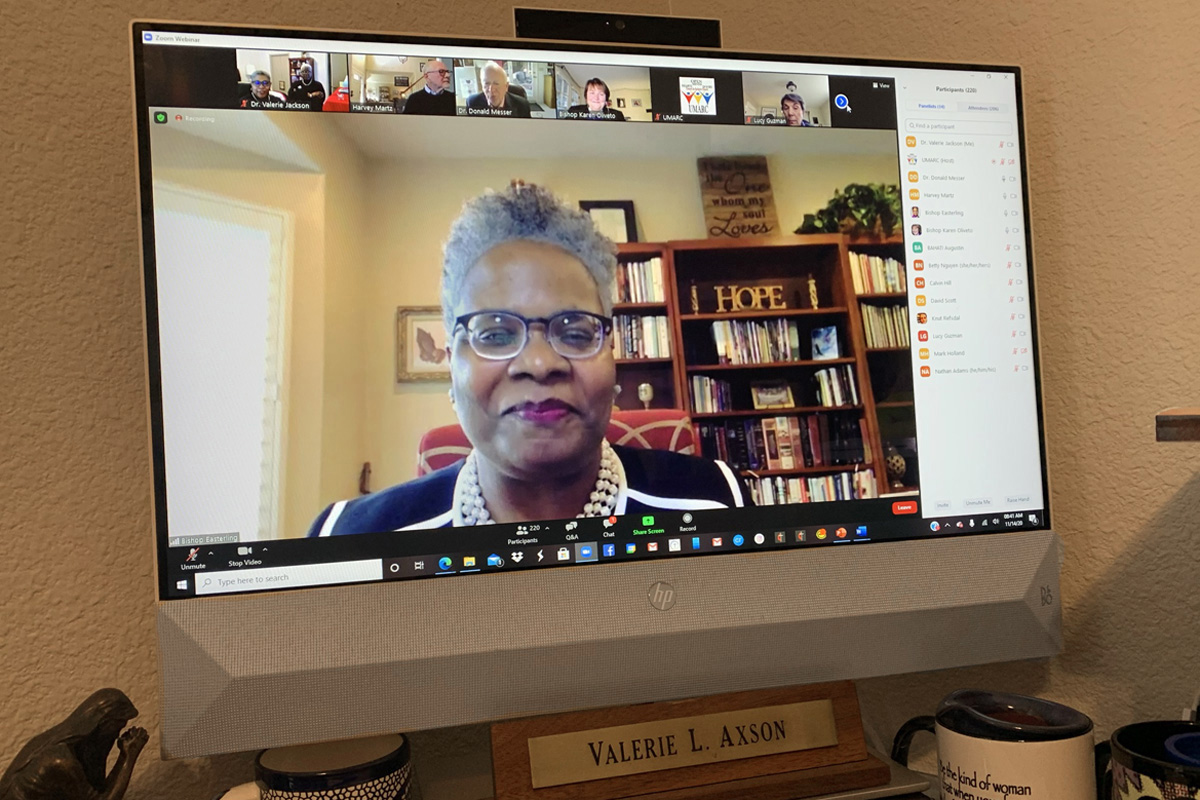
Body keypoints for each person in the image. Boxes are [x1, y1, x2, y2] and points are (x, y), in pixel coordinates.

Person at [308, 182, 746, 535]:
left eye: (575, 332)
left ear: (613, 358)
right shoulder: (351, 539)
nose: (539, 363)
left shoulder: (714, 503)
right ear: (450, 366)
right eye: (496, 335)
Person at [465, 62, 531, 117]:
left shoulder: (522, 105)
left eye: (496, 84)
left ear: (506, 86)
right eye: (487, 83)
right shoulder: (472, 103)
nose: (491, 90)